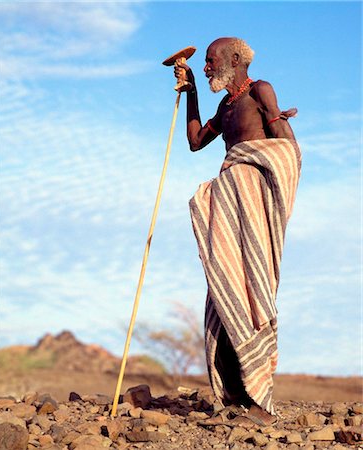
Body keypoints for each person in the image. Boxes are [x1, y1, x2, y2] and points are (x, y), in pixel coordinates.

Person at [175, 37, 301, 426]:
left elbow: (288, 153)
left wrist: (263, 186)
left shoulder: (261, 90)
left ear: (234, 59)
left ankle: (262, 404)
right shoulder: (224, 106)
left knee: (256, 289)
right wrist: (192, 90)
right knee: (227, 288)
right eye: (206, 64)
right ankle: (235, 396)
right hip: (229, 206)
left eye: (211, 61)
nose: (209, 66)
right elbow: (196, 143)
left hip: (256, 205)